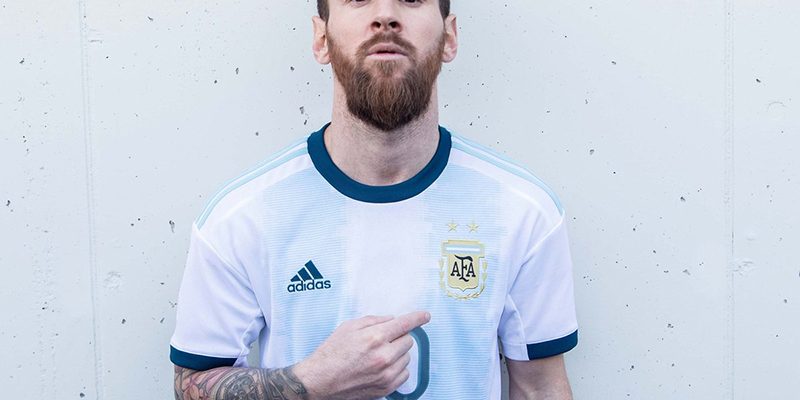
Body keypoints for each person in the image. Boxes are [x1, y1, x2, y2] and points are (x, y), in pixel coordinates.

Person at [170, 1, 579, 399]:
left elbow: (540, 388)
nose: (385, 15)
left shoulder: (521, 212)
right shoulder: (242, 218)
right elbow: (190, 384)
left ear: (449, 37)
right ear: (321, 39)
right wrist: (311, 382)